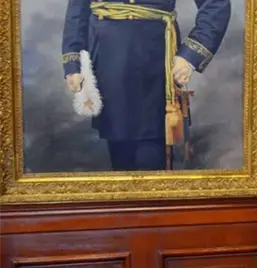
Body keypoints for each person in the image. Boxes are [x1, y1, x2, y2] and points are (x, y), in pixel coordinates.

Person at [62, 0, 231, 171]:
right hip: (107, 58)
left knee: (151, 153)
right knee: (119, 152)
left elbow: (216, 4)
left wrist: (190, 56)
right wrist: (72, 60)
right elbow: (78, 8)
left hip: (154, 57)